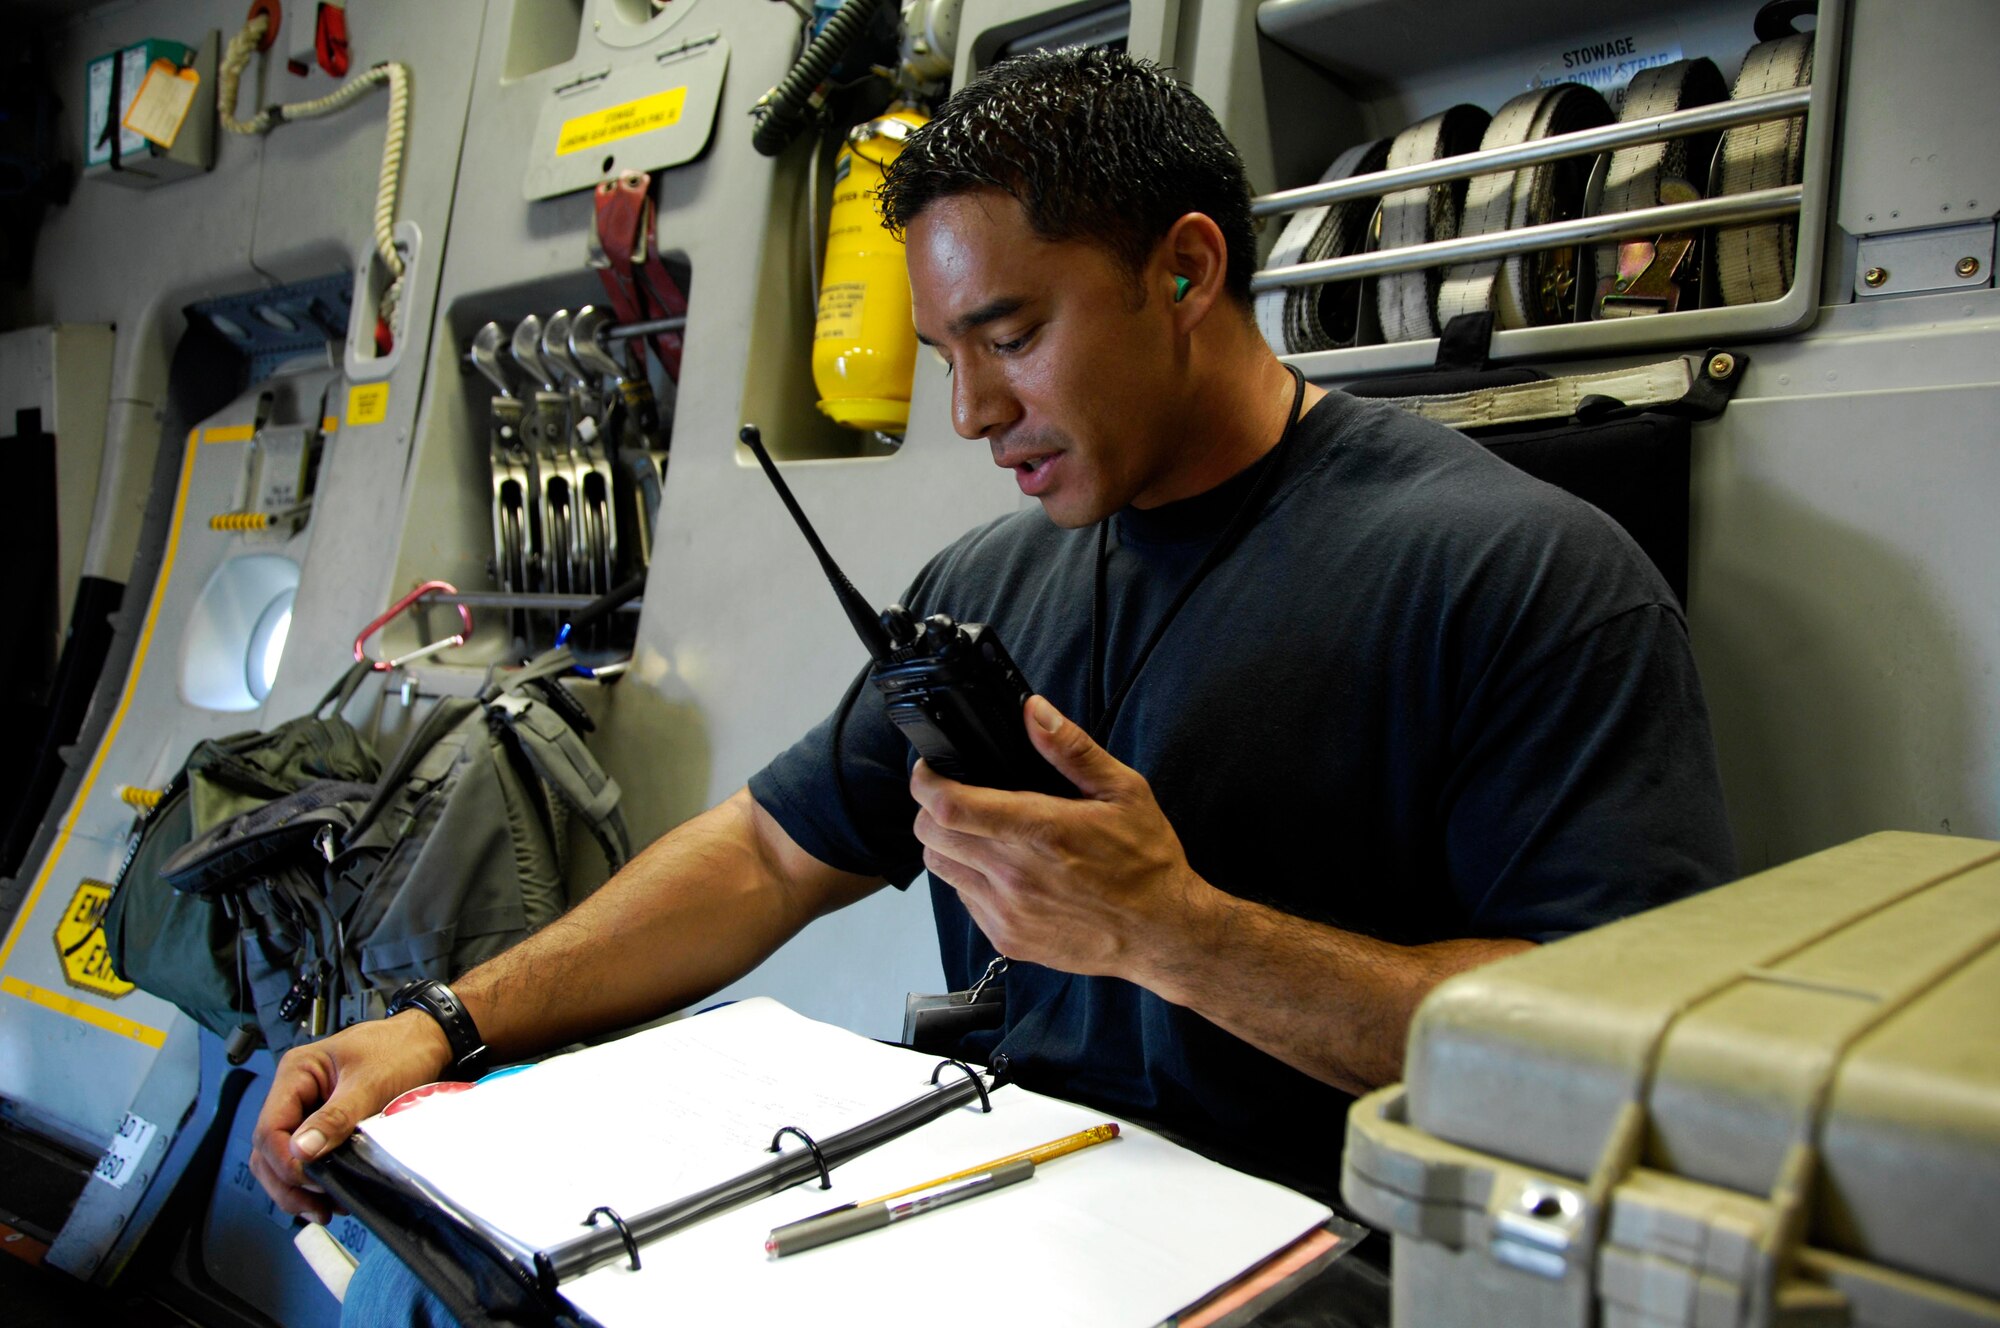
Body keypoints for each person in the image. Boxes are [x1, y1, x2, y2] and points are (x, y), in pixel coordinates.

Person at [253, 45, 1734, 1281]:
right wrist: (438, 1024)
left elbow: (1607, 1061)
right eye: (941, 354)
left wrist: (1173, 932)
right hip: (1009, 1217)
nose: (968, 413)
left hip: (1329, 1268)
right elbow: (773, 852)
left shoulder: (1522, 577)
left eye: (1008, 336)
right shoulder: (986, 585)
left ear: (1186, 269)